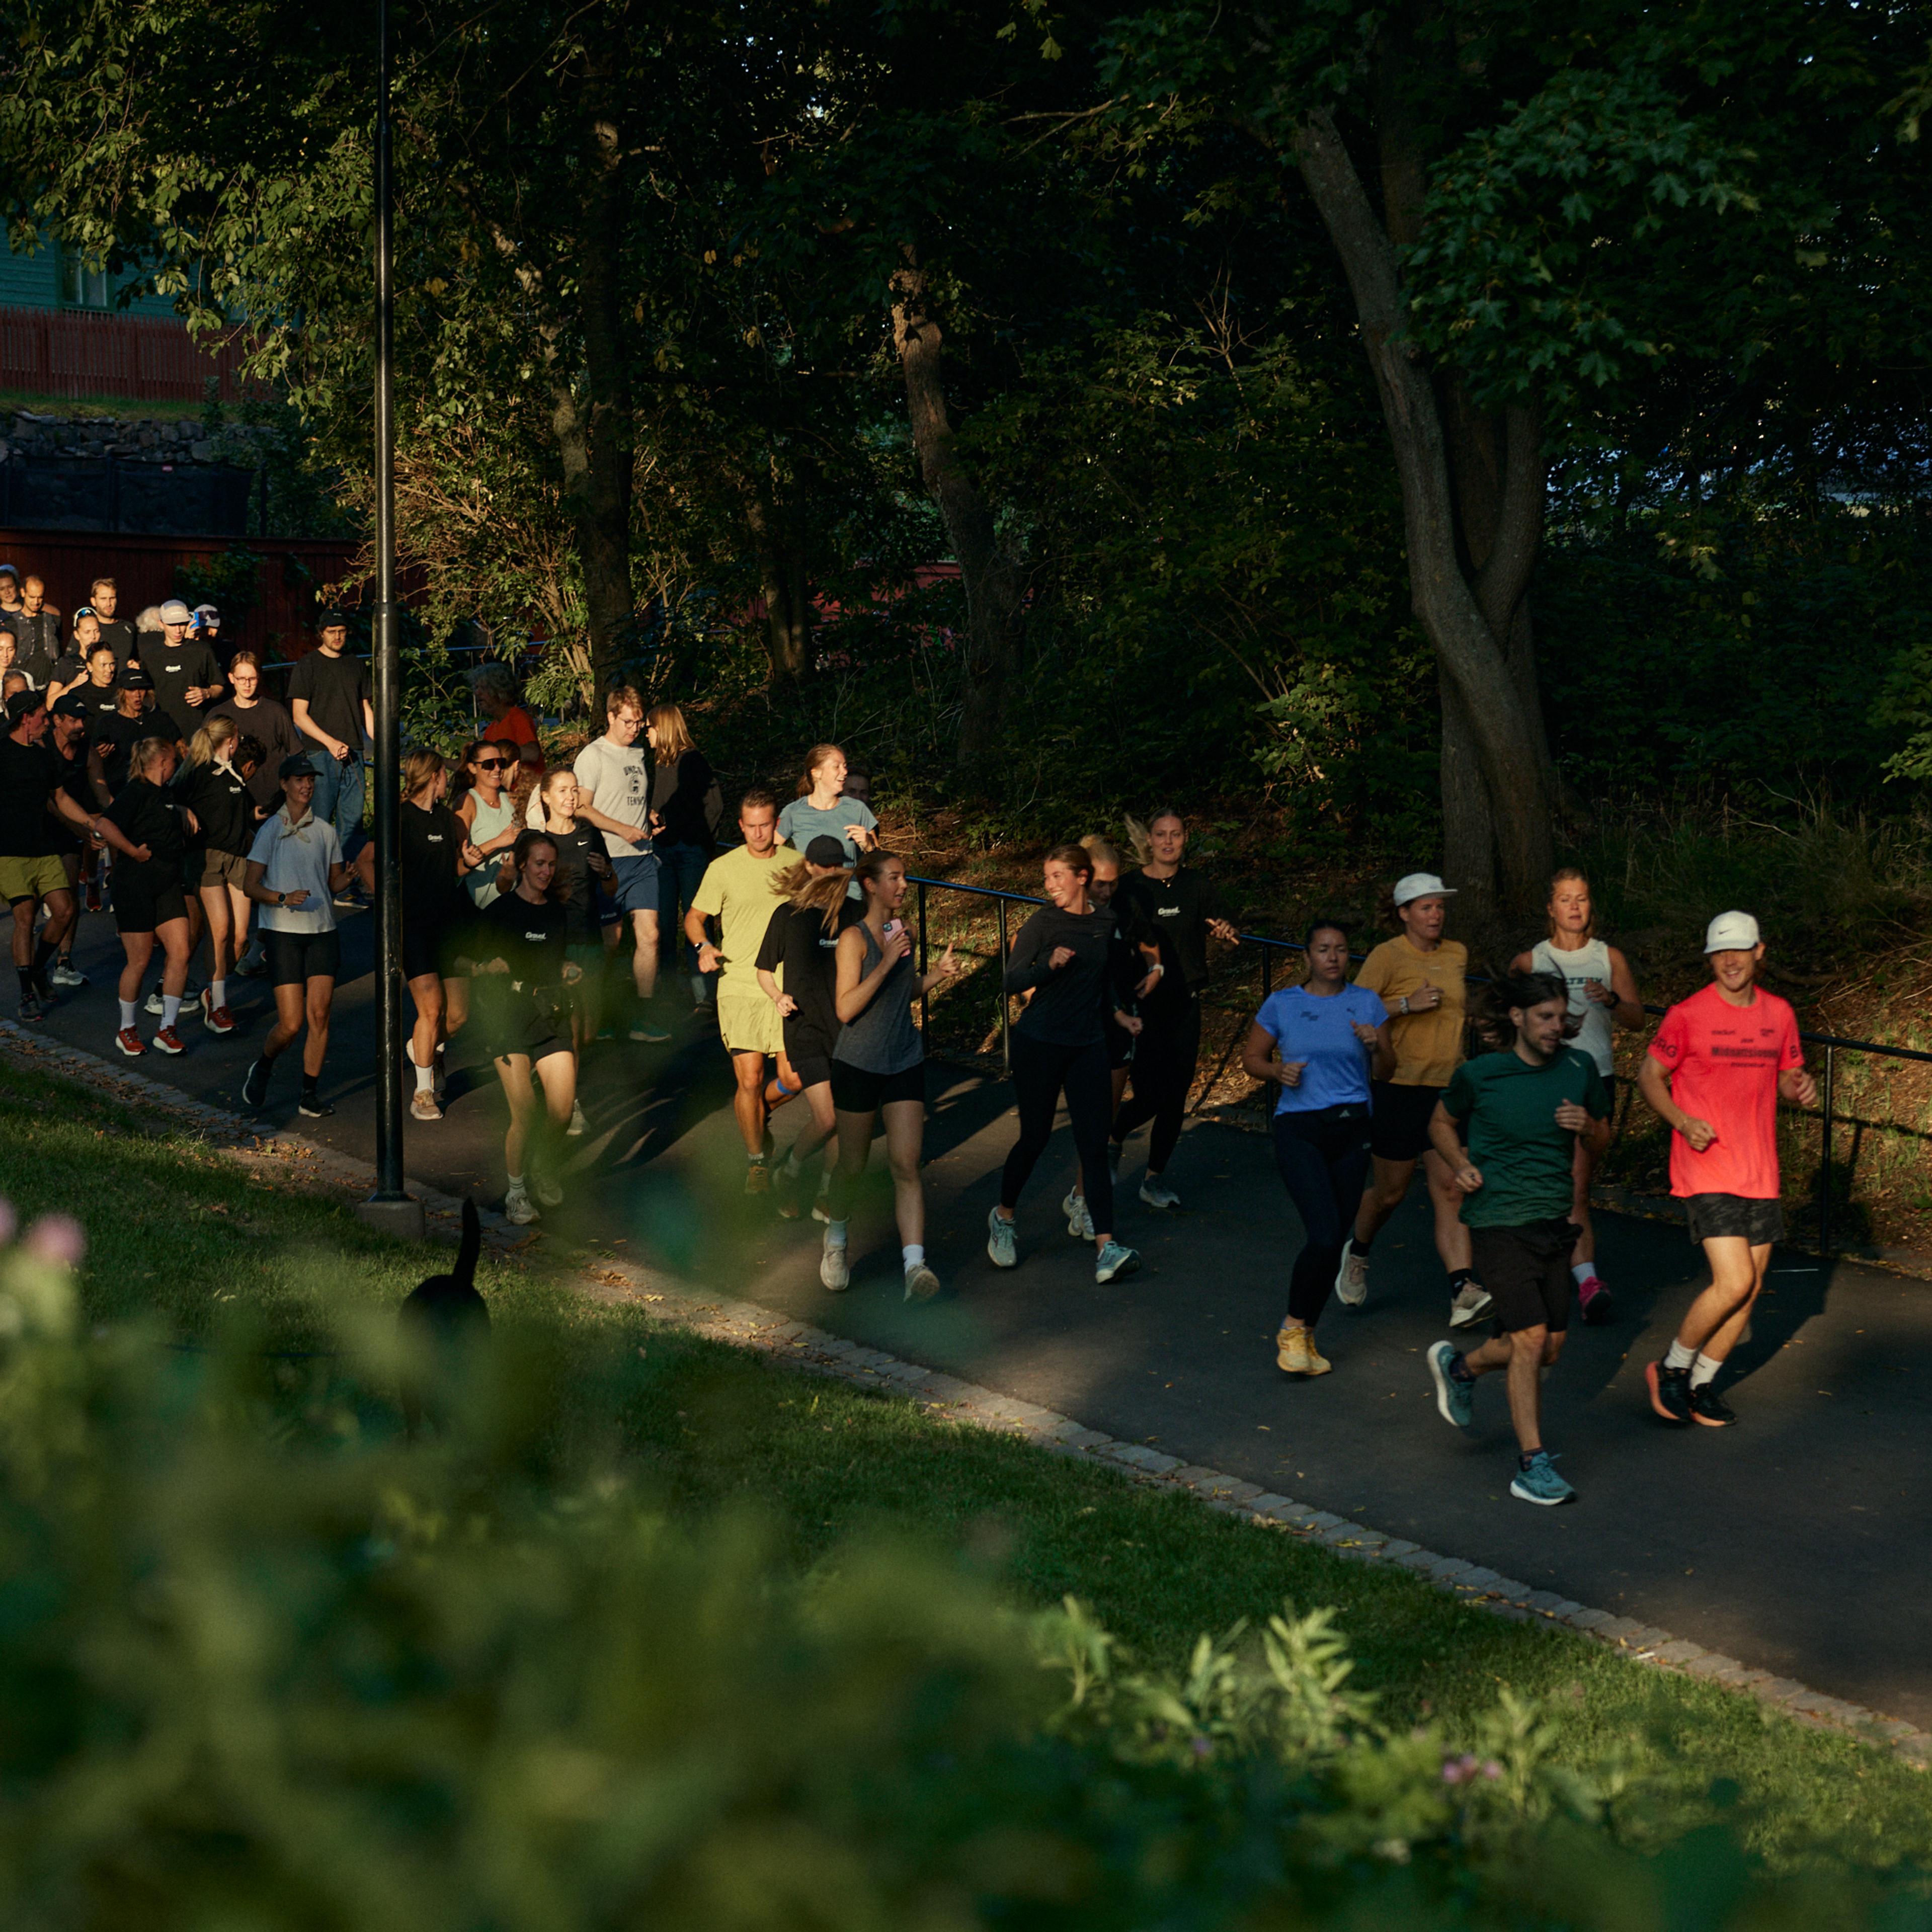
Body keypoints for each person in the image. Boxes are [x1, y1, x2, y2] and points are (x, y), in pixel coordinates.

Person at [1423, 970, 1612, 1507]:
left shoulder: (1579, 1069)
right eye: (1545, 1018)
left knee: (1549, 1349)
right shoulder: (1482, 1074)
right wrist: (1460, 1163)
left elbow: (1603, 1138)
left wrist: (1586, 1129)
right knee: (1530, 1339)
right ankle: (1532, 1464)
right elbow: (1440, 1122)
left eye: (1561, 1017)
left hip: (1553, 1223)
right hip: (1497, 1221)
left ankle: (1462, 1368)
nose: (1557, 1028)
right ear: (1517, 1018)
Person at [1637, 912, 1815, 1428]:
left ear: (1759, 952)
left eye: (1739, 950)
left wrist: (1797, 1087)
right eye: (1720, 953)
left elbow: (1786, 1076)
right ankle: (1670, 1370)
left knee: (1752, 1288)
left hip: (1759, 1168)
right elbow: (1650, 1075)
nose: (1730, 961)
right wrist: (1681, 1120)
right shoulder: (1688, 1014)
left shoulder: (1780, 1013)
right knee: (1733, 1281)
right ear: (1711, 959)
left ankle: (1701, 1384)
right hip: (1706, 1164)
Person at [1241, 921, 1393, 1377]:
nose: (1333, 957)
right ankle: (1292, 1329)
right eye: (1324, 950)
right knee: (1325, 1234)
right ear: (1307, 956)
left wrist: (1375, 1044)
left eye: (1342, 950)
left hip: (1352, 1128)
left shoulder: (1365, 1003)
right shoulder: (1284, 1004)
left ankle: (1304, 1336)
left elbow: (1388, 1069)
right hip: (1300, 1129)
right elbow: (1252, 1058)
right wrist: (1276, 1072)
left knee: (1331, 1241)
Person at [987, 845, 1143, 1285]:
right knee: (1034, 1138)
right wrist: (1047, 967)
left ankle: (1106, 1247)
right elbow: (1010, 979)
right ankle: (1003, 1217)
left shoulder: (1106, 922)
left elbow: (1107, 980)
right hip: (1039, 1043)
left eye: (1058, 876)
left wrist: (1120, 1014)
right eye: (1047, 877)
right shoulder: (1042, 923)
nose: (1050, 885)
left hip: (1088, 1043)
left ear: (1082, 877)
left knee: (1094, 1145)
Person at [1341, 871, 1484, 1329]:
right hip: (1398, 1087)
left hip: (1447, 1089)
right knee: (1391, 1194)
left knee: (1451, 1189)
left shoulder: (1457, 954)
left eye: (1440, 906)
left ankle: (1463, 1289)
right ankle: (1358, 1252)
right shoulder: (1387, 956)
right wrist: (1406, 1005)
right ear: (1404, 913)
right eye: (1426, 907)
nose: (1435, 914)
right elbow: (1351, 1011)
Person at [820, 849, 961, 1299]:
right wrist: (884, 962)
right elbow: (846, 1008)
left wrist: (936, 975)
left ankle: (915, 1268)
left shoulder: (905, 932)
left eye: (904, 878)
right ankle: (837, 1243)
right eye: (895, 878)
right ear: (871, 884)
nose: (903, 886)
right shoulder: (853, 939)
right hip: (858, 1062)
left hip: (903, 1058)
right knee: (852, 1164)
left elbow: (904, 992)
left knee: (906, 1164)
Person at [1509, 868, 1645, 1323]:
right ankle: (1544, 1270)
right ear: (1550, 908)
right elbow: (1503, 1015)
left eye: (1582, 899)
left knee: (1577, 1185)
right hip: (1539, 1080)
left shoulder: (1609, 957)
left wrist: (1609, 1000)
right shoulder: (1531, 961)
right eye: (1565, 899)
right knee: (1537, 1179)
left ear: (1590, 907)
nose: (1574, 907)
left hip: (1591, 1079)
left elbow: (1637, 1019)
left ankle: (1586, 1281)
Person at [1110, 809, 1238, 1210]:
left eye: (1176, 834)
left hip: (1186, 1003)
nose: (1169, 842)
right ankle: (1114, 1137)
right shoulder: (1129, 886)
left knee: (1176, 1096)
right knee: (1149, 1095)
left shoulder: (1197, 885)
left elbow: (1225, 917)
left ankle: (1154, 1179)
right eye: (1161, 835)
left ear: (1186, 839)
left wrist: (1227, 928)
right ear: (1149, 840)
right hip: (1143, 1005)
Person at [460, 830, 583, 1226]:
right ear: (521, 864)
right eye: (539, 864)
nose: (546, 872)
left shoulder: (556, 912)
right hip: (509, 1019)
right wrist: (484, 968)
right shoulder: (500, 913)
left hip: (549, 1015)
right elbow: (461, 961)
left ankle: (543, 1168)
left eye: (551, 864)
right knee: (526, 1114)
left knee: (562, 1112)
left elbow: (555, 961)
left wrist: (567, 970)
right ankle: (516, 1193)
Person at [240, 754, 372, 1118]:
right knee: (291, 1023)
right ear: (284, 785)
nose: (307, 785)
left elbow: (332, 885)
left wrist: (351, 876)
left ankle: (308, 1093)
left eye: (311, 780)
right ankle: (264, 1064)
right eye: (300, 780)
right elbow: (251, 886)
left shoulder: (325, 832)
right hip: (283, 933)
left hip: (322, 931)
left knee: (321, 1014)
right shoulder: (270, 832)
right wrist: (282, 898)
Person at [685, 789, 798, 1191]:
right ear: (741, 826)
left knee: (796, 1076)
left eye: (764, 825)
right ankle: (757, 1162)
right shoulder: (723, 868)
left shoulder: (796, 865)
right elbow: (695, 917)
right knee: (748, 1080)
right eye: (750, 826)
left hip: (788, 987)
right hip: (739, 986)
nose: (757, 833)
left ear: (776, 824)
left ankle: (754, 1114)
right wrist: (703, 948)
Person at [755, 835, 858, 1218]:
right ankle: (791, 1169)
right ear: (811, 867)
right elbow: (764, 969)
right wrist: (778, 996)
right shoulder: (789, 915)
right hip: (805, 1028)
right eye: (826, 866)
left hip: (848, 1028)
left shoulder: (855, 913)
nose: (833, 873)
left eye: (839, 866)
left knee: (845, 1121)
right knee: (828, 1116)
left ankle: (826, 1195)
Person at [84, 734, 195, 1057]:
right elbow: (104, 825)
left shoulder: (166, 792)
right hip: (135, 885)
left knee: (181, 952)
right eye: (174, 759)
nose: (176, 763)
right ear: (161, 760)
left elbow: (170, 809)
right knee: (141, 960)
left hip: (168, 884)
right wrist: (132, 851)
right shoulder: (135, 792)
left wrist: (184, 810)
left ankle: (167, 1028)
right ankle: (127, 1029)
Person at [572, 685, 667, 1043]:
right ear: (611, 717)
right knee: (609, 942)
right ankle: (600, 1013)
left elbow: (629, 798)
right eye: (627, 722)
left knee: (651, 936)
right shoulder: (592, 756)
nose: (634, 728)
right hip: (608, 858)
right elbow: (581, 808)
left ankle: (642, 1018)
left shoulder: (640, 753)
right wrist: (622, 829)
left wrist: (648, 817)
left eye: (639, 723)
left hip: (642, 857)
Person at [399, 748, 481, 1123]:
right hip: (414, 926)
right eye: (444, 773)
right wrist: (386, 906)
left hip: (449, 925)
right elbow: (369, 860)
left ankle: (421, 1046)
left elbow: (454, 868)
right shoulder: (399, 818)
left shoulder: (448, 820)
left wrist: (470, 862)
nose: (448, 778)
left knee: (459, 1015)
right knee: (430, 1009)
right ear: (433, 776)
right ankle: (423, 1092)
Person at [175, 715, 261, 1035]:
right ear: (230, 740)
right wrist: (183, 810)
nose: (238, 743)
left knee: (239, 938)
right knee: (220, 928)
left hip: (238, 856)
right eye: (236, 738)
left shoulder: (235, 773)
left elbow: (250, 811)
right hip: (208, 857)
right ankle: (218, 1001)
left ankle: (215, 984)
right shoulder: (197, 772)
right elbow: (170, 798)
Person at [0, 691, 78, 1022]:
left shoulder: (44, 756)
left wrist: (89, 823)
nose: (47, 723)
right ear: (25, 718)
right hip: (9, 850)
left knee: (64, 910)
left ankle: (38, 968)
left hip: (44, 846)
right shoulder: (1, 752)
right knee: (25, 918)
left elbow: (59, 797)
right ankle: (26, 994)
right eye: (43, 717)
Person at [533, 765, 614, 1076]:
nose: (571, 796)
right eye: (563, 791)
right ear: (546, 797)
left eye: (575, 789)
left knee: (590, 1031)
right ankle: (569, 1099)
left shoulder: (589, 834)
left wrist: (606, 872)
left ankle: (547, 1067)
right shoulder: (537, 841)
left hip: (589, 937)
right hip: (557, 942)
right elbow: (516, 889)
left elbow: (611, 886)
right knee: (572, 1028)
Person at [645, 702, 722, 1007]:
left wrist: (681, 830)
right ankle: (667, 990)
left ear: (662, 728)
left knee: (696, 919)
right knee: (662, 923)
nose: (645, 734)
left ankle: (705, 993)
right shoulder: (658, 763)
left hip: (690, 852)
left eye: (649, 728)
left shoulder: (693, 761)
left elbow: (709, 807)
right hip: (663, 853)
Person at [287, 610, 373, 851]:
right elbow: (299, 716)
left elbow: (365, 707)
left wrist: (384, 742)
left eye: (342, 632)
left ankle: (348, 876)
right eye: (332, 632)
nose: (337, 637)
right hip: (319, 754)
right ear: (321, 634)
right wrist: (330, 743)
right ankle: (318, 877)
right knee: (319, 820)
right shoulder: (308, 665)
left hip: (354, 751)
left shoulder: (355, 664)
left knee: (353, 822)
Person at [42, 693, 95, 987]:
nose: (79, 725)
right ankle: (31, 969)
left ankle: (64, 960)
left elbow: (102, 793)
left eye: (82, 720)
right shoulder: (43, 747)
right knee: (31, 906)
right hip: (39, 827)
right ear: (57, 722)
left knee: (71, 893)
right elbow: (52, 800)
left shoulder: (87, 748)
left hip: (70, 825)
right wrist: (82, 827)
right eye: (72, 720)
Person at [210, 651, 302, 812]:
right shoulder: (217, 716)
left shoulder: (276, 712)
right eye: (241, 679)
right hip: (234, 804)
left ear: (259, 678)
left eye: (252, 679)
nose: (247, 684)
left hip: (275, 803)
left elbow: (297, 754)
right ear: (231, 678)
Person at [89, 666, 185, 800]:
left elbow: (183, 752)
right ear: (122, 692)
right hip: (122, 793)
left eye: (141, 689)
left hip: (160, 793)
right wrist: (100, 757)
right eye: (131, 689)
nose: (137, 695)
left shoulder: (161, 719)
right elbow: (93, 763)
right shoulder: (107, 724)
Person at [777, 743, 878, 870]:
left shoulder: (857, 809)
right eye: (837, 767)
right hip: (812, 890)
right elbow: (770, 852)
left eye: (845, 766)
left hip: (850, 889)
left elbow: (880, 863)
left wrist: (869, 846)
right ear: (816, 773)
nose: (845, 772)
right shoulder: (793, 812)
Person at [454, 738, 521, 913]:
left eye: (501, 763)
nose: (497, 769)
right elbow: (458, 862)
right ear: (473, 768)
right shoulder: (467, 802)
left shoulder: (510, 799)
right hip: (480, 901)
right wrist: (498, 842)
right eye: (489, 764)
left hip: (513, 897)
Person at [139, 598, 225, 724]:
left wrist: (206, 693)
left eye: (182, 624)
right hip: (162, 728)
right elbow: (143, 694)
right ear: (161, 624)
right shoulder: (151, 656)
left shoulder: (202, 650)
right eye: (172, 625)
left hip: (196, 727)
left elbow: (219, 686)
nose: (178, 630)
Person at [470, 660, 544, 778]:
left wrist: (499, 753)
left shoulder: (518, 718)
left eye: (483, 688)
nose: (477, 693)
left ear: (500, 690)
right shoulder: (491, 729)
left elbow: (533, 754)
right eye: (476, 687)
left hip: (525, 791)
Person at [14, 577, 61, 686]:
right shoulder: (12, 623)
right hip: (23, 688)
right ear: (23, 593)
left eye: (40, 597)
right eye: (32, 597)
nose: (36, 602)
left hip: (51, 685)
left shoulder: (52, 620)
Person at [87, 578, 137, 667]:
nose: (109, 604)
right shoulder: (87, 629)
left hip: (124, 680)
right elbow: (72, 661)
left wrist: (136, 666)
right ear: (94, 601)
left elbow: (138, 658)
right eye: (103, 599)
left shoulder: (129, 628)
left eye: (112, 598)